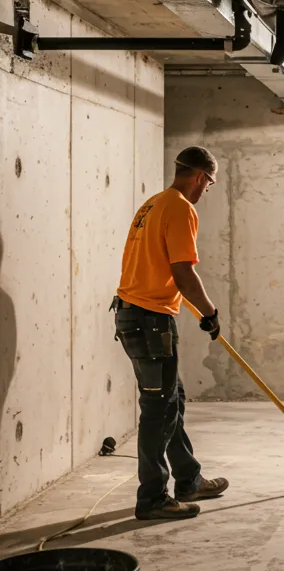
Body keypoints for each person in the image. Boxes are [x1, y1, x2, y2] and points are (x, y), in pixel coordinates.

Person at [112, 146, 229, 520]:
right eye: (208, 184)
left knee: (171, 399)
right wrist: (210, 312)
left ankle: (189, 478)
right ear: (199, 176)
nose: (205, 191)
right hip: (150, 321)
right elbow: (183, 273)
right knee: (158, 409)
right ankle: (152, 498)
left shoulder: (153, 204)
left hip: (134, 314)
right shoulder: (180, 207)